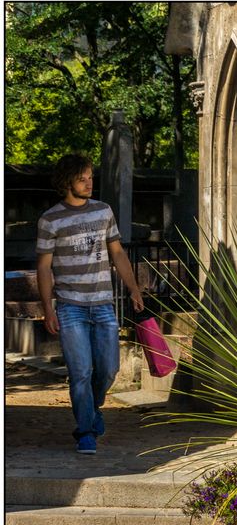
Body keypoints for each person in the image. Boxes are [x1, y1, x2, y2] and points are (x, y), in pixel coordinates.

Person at [36, 153, 144, 454]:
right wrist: (48, 308)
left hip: (103, 304)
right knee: (81, 371)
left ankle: (93, 409)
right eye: (82, 178)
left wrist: (133, 289)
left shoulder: (103, 211)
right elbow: (44, 267)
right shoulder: (50, 219)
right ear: (67, 181)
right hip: (70, 306)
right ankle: (85, 431)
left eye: (90, 177)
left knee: (108, 369)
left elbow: (118, 254)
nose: (89, 182)